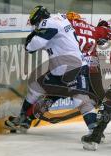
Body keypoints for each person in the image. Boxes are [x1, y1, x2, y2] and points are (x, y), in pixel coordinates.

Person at [5, 6, 98, 134]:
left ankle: (95, 130)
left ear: (39, 19)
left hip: (73, 68)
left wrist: (33, 35)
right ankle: (24, 118)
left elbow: (32, 46)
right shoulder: (60, 19)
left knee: (80, 99)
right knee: (36, 89)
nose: (36, 26)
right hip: (60, 70)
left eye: (36, 23)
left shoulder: (48, 23)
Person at [66, 11, 111, 133]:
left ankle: (94, 128)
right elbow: (110, 34)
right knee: (102, 96)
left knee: (79, 96)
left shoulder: (67, 27)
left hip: (78, 67)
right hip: (94, 68)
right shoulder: (92, 29)